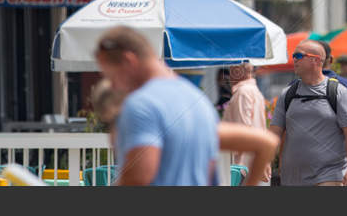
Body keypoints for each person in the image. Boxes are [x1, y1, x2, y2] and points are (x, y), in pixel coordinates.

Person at [94, 26, 275, 186]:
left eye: (111, 76)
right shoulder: (197, 100)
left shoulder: (142, 104)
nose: (114, 85)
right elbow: (265, 142)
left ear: (128, 61)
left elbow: (139, 177)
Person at [270, 39, 347, 185]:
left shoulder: (339, 93)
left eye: (298, 56)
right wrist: (265, 162)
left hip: (330, 175)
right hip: (292, 178)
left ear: (316, 60)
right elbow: (275, 132)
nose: (294, 60)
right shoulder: (287, 94)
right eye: (293, 56)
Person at [222, 61, 272, 185]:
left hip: (241, 167)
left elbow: (242, 128)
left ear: (239, 71)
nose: (229, 76)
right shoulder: (254, 91)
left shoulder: (243, 92)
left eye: (231, 70)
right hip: (251, 163)